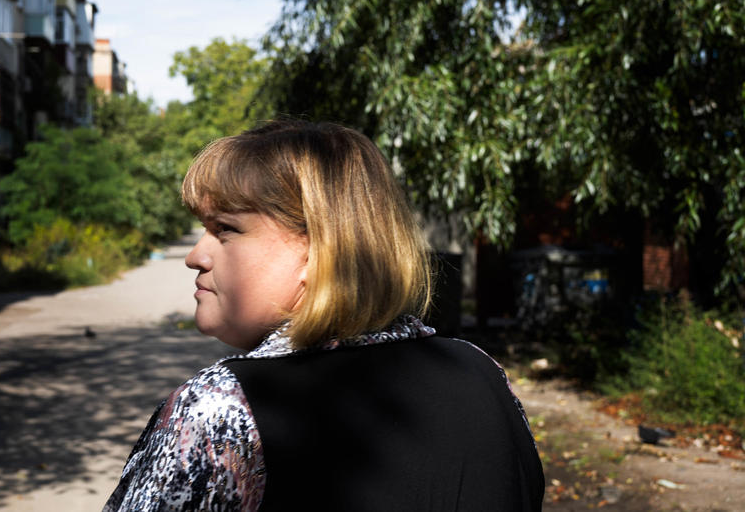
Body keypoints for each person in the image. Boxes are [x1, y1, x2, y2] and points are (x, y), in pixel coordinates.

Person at [104, 120, 544, 511]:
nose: (196, 255)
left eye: (226, 229)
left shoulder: (221, 410)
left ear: (319, 249)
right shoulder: (481, 372)